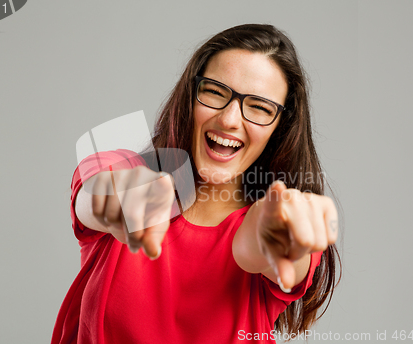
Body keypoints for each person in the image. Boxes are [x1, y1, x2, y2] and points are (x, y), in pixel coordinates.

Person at [51, 24, 341, 343]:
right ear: (191, 94)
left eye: (259, 107)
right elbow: (95, 193)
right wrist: (112, 198)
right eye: (215, 91)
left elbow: (280, 255)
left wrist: (272, 241)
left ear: (279, 127)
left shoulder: (281, 219)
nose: (230, 119)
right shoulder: (124, 171)